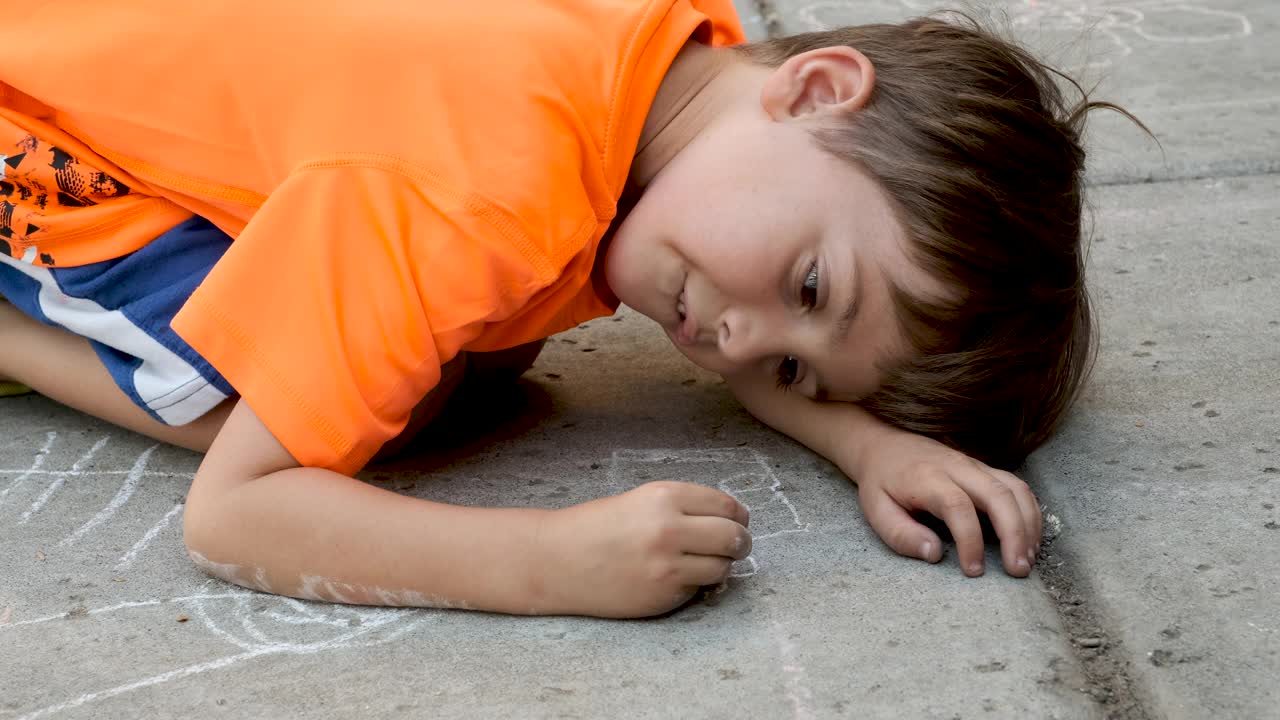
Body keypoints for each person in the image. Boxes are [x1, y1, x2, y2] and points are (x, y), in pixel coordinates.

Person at [0, 0, 1122, 618]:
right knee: (400, 400)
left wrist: (867, 438)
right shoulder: (476, 207)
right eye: (811, 290)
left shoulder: (671, 54)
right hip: (29, 112)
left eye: (790, 372)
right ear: (818, 90)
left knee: (461, 348)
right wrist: (549, 563)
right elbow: (236, 517)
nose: (734, 344)